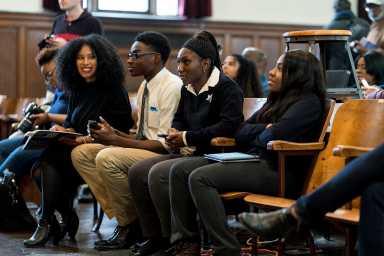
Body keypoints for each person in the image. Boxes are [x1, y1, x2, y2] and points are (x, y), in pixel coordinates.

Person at [166, 50, 326, 255]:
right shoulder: (276, 100)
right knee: (179, 170)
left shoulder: (308, 103)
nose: (271, 72)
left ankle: (225, 247)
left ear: (298, 74)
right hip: (254, 159)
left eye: (280, 68)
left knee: (200, 178)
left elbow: (273, 136)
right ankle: (188, 242)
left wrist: (263, 132)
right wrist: (264, 129)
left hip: (279, 171)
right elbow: (240, 130)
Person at [127, 30, 243, 256]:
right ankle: (159, 236)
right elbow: (180, 118)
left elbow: (228, 126)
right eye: (178, 61)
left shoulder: (227, 88)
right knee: (139, 171)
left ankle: (187, 240)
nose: (179, 67)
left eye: (186, 62)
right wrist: (175, 131)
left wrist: (187, 137)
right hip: (192, 150)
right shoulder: (186, 87)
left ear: (206, 63)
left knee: (165, 172)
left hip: (217, 155)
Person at [70, 31, 182, 250]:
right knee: (81, 153)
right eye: (130, 54)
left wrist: (115, 141)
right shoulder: (144, 86)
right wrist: (114, 133)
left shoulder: (172, 86)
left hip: (164, 153)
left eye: (136, 54)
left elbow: (166, 143)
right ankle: (130, 220)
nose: (129, 59)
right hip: (145, 148)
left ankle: (128, 226)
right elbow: (141, 135)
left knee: (106, 157)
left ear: (155, 58)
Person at [23, 34, 133, 247]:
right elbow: (73, 124)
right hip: (74, 150)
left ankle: (45, 222)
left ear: (101, 59)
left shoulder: (113, 89)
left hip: (102, 152)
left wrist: (84, 140)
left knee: (45, 164)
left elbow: (119, 131)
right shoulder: (76, 88)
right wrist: (62, 131)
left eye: (91, 57)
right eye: (80, 58)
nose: (85, 63)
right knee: (40, 168)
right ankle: (64, 217)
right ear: (72, 61)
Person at [238, 143, 384, 256]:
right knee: (374, 189)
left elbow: (272, 134)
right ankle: (298, 213)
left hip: (274, 166)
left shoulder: (308, 103)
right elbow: (243, 131)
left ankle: (297, 214)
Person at [0, 48, 68, 180]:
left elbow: (75, 119)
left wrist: (48, 116)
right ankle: (7, 193)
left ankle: (4, 189)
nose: (48, 82)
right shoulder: (59, 91)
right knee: (2, 146)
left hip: (60, 143)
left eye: (49, 75)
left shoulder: (74, 91)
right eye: (45, 78)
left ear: (61, 67)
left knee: (19, 154)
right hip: (46, 137)